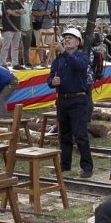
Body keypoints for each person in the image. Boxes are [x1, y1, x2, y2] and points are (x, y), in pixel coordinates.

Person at [48, 27, 93, 178]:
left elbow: (78, 66)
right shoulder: (58, 59)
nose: (67, 39)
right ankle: (64, 165)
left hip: (78, 99)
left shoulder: (82, 56)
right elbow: (50, 78)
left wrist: (64, 52)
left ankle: (87, 167)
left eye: (71, 38)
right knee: (64, 135)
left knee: (80, 134)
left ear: (78, 42)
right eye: (66, 37)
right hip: (62, 99)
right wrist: (52, 82)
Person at [0, 0, 25, 68]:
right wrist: (18, 12)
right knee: (6, 46)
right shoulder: (5, 3)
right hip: (8, 28)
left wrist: (15, 12)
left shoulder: (17, 3)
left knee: (15, 47)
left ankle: (15, 63)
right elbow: (9, 12)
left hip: (17, 28)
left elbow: (24, 11)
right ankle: (2, 63)